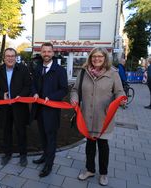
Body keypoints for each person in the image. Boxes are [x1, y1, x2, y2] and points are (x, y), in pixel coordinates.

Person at [70, 47, 126, 186]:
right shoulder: (83, 72)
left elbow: (119, 91)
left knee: (103, 146)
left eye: (100, 56)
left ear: (105, 58)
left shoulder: (113, 73)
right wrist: (74, 98)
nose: (97, 59)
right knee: (89, 145)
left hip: (104, 117)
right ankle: (90, 170)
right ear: (90, 58)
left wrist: (121, 99)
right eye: (94, 56)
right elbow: (75, 89)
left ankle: (103, 173)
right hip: (86, 116)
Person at [31, 42, 68, 177]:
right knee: (42, 135)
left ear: (53, 53)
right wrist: (34, 93)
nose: (46, 54)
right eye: (44, 51)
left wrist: (50, 98)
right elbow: (33, 85)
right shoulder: (38, 68)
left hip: (51, 110)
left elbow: (64, 89)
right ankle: (44, 156)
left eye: (48, 51)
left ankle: (49, 165)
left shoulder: (60, 70)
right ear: (41, 53)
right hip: (39, 109)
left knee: (51, 137)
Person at [0, 48, 31, 167]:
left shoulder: (23, 69)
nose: (10, 58)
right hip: (5, 107)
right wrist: (1, 95)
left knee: (21, 131)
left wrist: (21, 96)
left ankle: (23, 155)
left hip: (19, 107)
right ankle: (7, 154)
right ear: (4, 58)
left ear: (16, 57)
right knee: (6, 131)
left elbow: (28, 86)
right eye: (7, 56)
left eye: (12, 56)